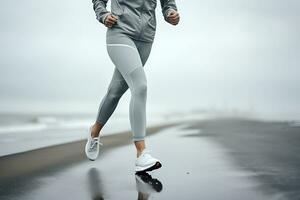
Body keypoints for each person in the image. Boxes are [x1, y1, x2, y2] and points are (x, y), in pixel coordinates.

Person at [85, 0, 180, 173]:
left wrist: (170, 13)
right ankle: (141, 153)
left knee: (115, 92)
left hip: (146, 38)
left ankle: (94, 131)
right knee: (140, 86)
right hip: (120, 33)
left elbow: (168, 3)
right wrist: (103, 15)